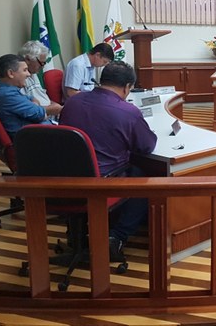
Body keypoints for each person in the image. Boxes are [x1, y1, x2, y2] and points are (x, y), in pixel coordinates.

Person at [59, 61, 157, 260]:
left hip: (64, 178)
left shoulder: (72, 102)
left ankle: (76, 234)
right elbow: (146, 146)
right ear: (127, 87)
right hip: (102, 181)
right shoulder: (128, 111)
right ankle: (116, 237)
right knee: (144, 179)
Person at [0, 54, 61, 138]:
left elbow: (32, 98)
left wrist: (35, 107)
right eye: (25, 70)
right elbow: (39, 114)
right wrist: (53, 109)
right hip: (33, 138)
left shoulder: (0, 88)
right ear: (10, 73)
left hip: (38, 131)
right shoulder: (6, 94)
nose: (28, 74)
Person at [18, 41, 51, 106]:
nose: (43, 66)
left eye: (44, 63)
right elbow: (26, 108)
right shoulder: (19, 78)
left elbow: (42, 97)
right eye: (41, 63)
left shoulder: (33, 72)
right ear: (28, 59)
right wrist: (52, 109)